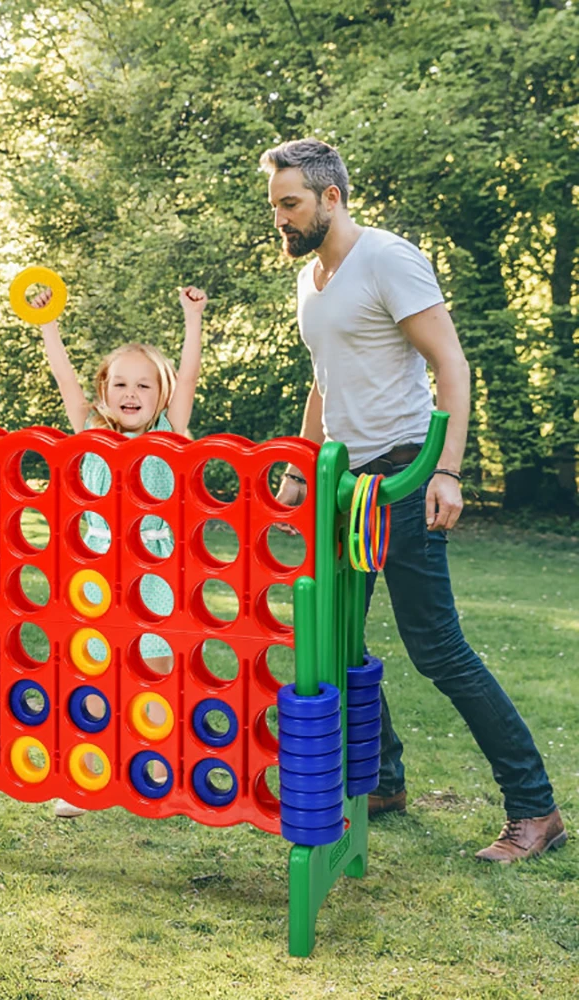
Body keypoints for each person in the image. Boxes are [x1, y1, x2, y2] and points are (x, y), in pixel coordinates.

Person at [260, 138, 565, 862]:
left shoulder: (388, 259)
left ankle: (535, 810)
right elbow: (324, 381)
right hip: (345, 486)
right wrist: (303, 466)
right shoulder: (312, 280)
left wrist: (446, 470)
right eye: (275, 206)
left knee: (438, 650)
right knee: (339, 639)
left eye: (290, 204)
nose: (280, 218)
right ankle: (385, 779)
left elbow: (450, 361)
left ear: (332, 197)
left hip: (401, 475)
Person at [35, 283, 208, 817]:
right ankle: (91, 778)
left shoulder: (168, 431)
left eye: (144, 385)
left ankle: (156, 772)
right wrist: (48, 324)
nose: (131, 394)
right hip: (96, 573)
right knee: (94, 672)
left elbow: (190, 375)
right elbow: (64, 376)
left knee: (153, 672)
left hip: (154, 575)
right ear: (104, 392)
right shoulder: (89, 430)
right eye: (120, 384)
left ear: (160, 395)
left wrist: (193, 319)